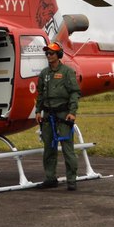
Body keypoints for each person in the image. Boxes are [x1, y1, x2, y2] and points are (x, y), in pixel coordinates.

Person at [34, 42, 80, 191]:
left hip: (63, 115)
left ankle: (71, 180)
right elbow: (40, 94)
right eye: (47, 53)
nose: (49, 55)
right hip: (48, 116)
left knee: (68, 149)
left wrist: (72, 112)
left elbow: (74, 93)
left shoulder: (67, 72)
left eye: (52, 53)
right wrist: (37, 111)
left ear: (58, 55)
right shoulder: (44, 73)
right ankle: (50, 178)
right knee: (49, 149)